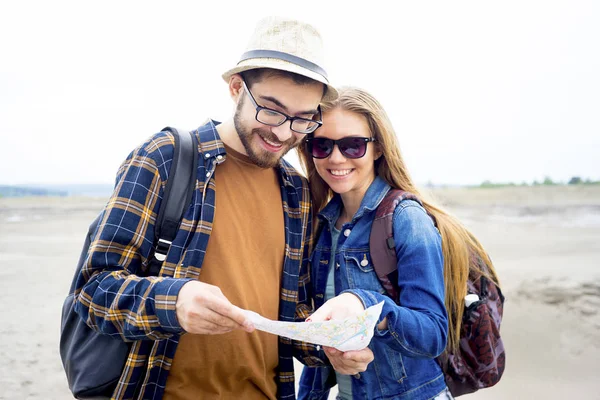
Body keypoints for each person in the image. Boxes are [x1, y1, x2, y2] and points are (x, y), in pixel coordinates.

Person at [72, 18, 372, 400]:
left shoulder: (297, 191)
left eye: (302, 119)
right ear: (236, 89)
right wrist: (174, 302)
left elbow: (290, 315)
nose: (282, 132)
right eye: (271, 110)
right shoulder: (166, 158)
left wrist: (328, 347)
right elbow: (93, 289)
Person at [297, 87, 499, 399]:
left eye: (352, 145)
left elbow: (432, 334)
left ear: (377, 148)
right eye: (322, 145)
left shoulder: (406, 219)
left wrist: (366, 305)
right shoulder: (321, 227)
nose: (336, 158)